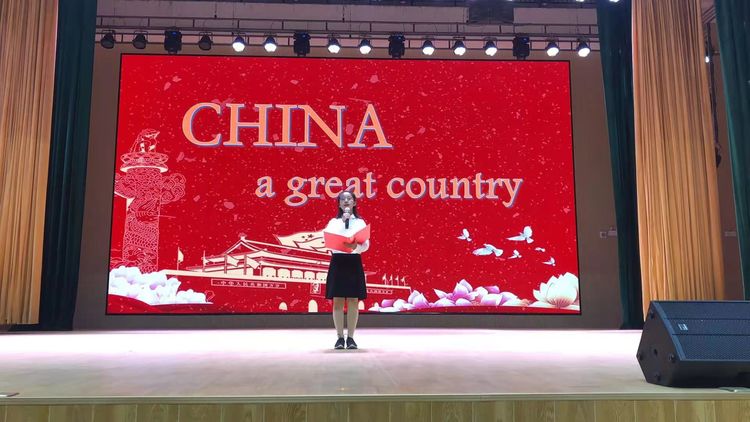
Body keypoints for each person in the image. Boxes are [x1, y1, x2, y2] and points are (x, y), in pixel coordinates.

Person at [323, 190, 370, 350]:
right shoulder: (333, 222)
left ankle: (350, 338)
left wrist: (356, 246)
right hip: (338, 261)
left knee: (353, 301)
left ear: (354, 203)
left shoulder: (360, 222)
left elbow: (366, 245)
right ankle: (339, 338)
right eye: (343, 199)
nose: (346, 201)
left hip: (353, 261)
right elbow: (327, 240)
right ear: (339, 204)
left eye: (349, 199)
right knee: (337, 300)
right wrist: (343, 223)